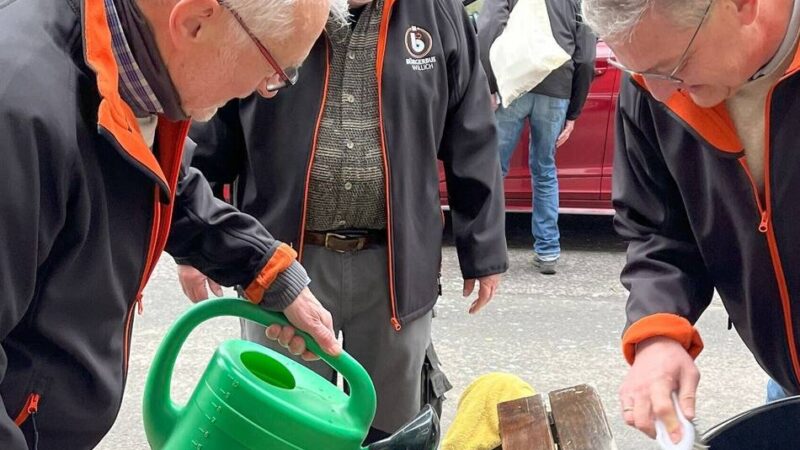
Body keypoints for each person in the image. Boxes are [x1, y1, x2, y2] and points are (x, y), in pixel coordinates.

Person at [0, 0, 347, 447]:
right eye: (274, 68)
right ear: (194, 22)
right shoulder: (18, 111)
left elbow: (162, 181)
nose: (266, 90)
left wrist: (267, 270)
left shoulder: (134, 70)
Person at [177, 0, 509, 441]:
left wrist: (483, 247)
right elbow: (214, 119)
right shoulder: (266, 7)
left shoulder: (439, 12)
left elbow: (471, 129)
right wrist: (196, 244)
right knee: (281, 426)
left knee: (390, 427)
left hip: (393, 268)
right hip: (281, 259)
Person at [581, 0, 800, 444]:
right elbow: (658, 226)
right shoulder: (652, 79)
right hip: (786, 380)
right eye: (637, 71)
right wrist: (658, 330)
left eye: (675, 66)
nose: (659, 94)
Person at [477, 0, 596, 274]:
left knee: (493, 171)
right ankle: (548, 251)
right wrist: (574, 111)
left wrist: (489, 85)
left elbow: (488, 29)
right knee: (544, 170)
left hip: (515, 81)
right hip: (557, 87)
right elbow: (587, 57)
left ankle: (487, 252)